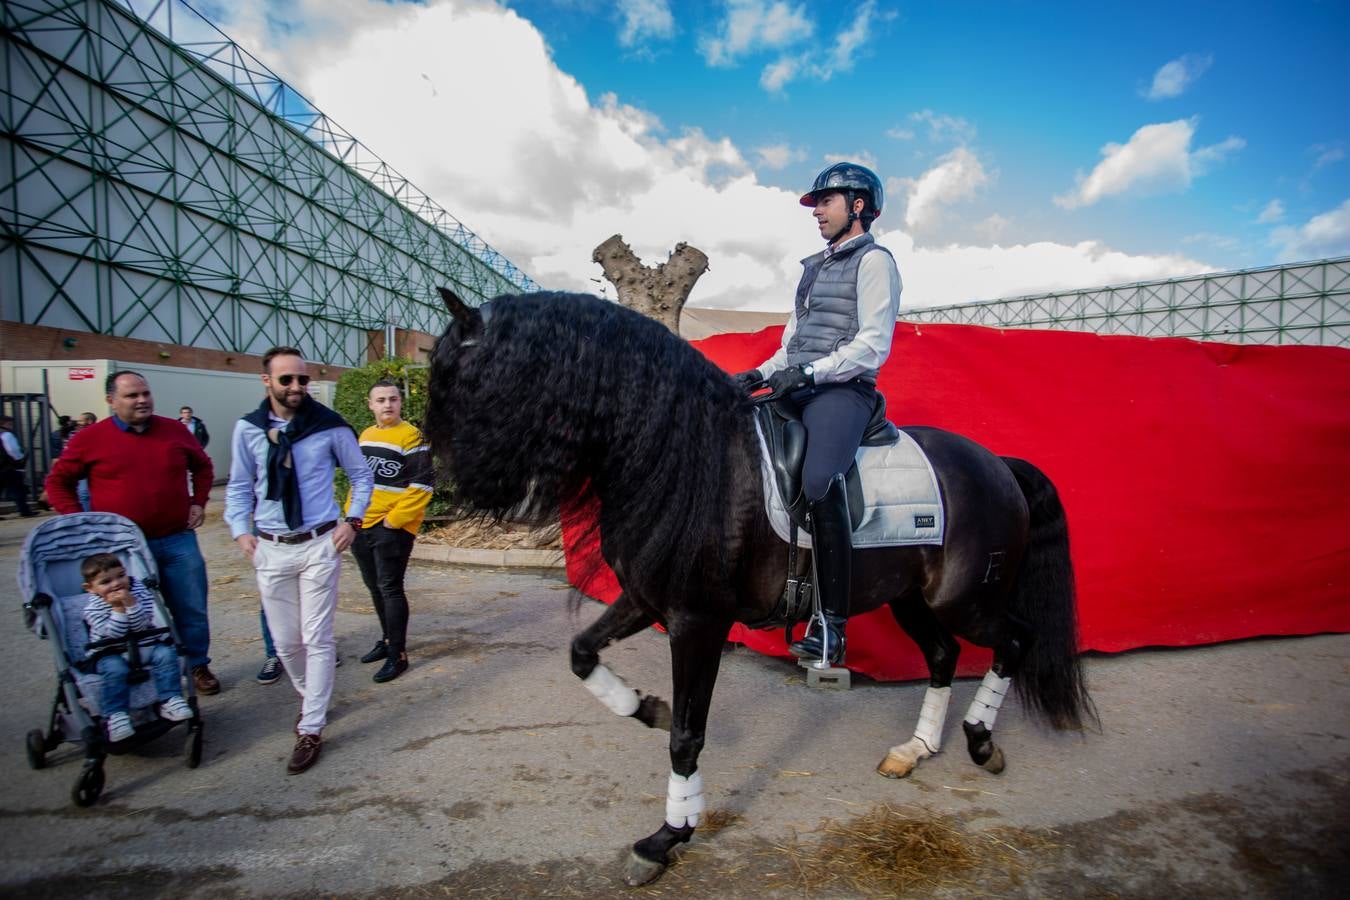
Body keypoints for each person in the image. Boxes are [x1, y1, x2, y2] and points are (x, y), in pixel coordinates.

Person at [731, 162, 903, 666]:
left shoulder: (875, 262)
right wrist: (757, 375)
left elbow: (873, 345)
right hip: (799, 385)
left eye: (825, 202)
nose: (817, 212)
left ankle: (831, 624)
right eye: (816, 205)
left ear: (857, 206)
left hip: (843, 392)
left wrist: (810, 376)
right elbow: (793, 345)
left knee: (821, 477)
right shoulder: (812, 268)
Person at [225, 347, 373, 775]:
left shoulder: (329, 427)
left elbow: (360, 476)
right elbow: (238, 486)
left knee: (317, 637)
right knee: (286, 642)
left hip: (319, 544)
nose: (296, 388)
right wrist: (240, 530)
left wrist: (352, 521)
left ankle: (310, 726)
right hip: (270, 546)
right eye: (286, 379)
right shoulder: (247, 430)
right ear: (266, 381)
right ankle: (314, 698)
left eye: (302, 380)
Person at [45, 372, 220, 694]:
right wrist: (81, 523)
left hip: (177, 538)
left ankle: (197, 665)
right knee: (137, 610)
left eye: (145, 393)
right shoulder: (90, 438)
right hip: (123, 551)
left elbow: (203, 466)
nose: (142, 400)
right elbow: (57, 483)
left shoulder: (174, 430)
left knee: (191, 606)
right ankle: (150, 671)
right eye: (131, 396)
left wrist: (198, 502)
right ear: (111, 401)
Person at [348, 379, 433, 683]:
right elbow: (358, 481)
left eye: (393, 399)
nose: (387, 404)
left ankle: (398, 654)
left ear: (400, 402)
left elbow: (423, 484)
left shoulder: (412, 436)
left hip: (391, 528)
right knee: (374, 588)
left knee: (390, 588)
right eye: (381, 399)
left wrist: (395, 520)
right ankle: (386, 641)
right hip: (362, 525)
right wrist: (352, 517)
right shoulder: (366, 435)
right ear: (370, 404)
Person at [81, 552, 194, 742]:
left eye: (120, 576)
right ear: (90, 588)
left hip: (145, 644)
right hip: (111, 652)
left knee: (166, 654)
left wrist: (132, 605)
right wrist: (118, 609)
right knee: (114, 669)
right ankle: (116, 715)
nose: (116, 584)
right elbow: (114, 633)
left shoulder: (138, 592)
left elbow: (142, 624)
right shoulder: (93, 608)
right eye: (106, 582)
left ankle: (170, 699)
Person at [1, 414, 38, 518]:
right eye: (10, 423)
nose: (11, 425)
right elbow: (13, 450)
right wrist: (20, 459)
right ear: (5, 423)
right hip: (8, 467)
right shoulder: (6, 434)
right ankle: (24, 511)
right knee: (18, 489)